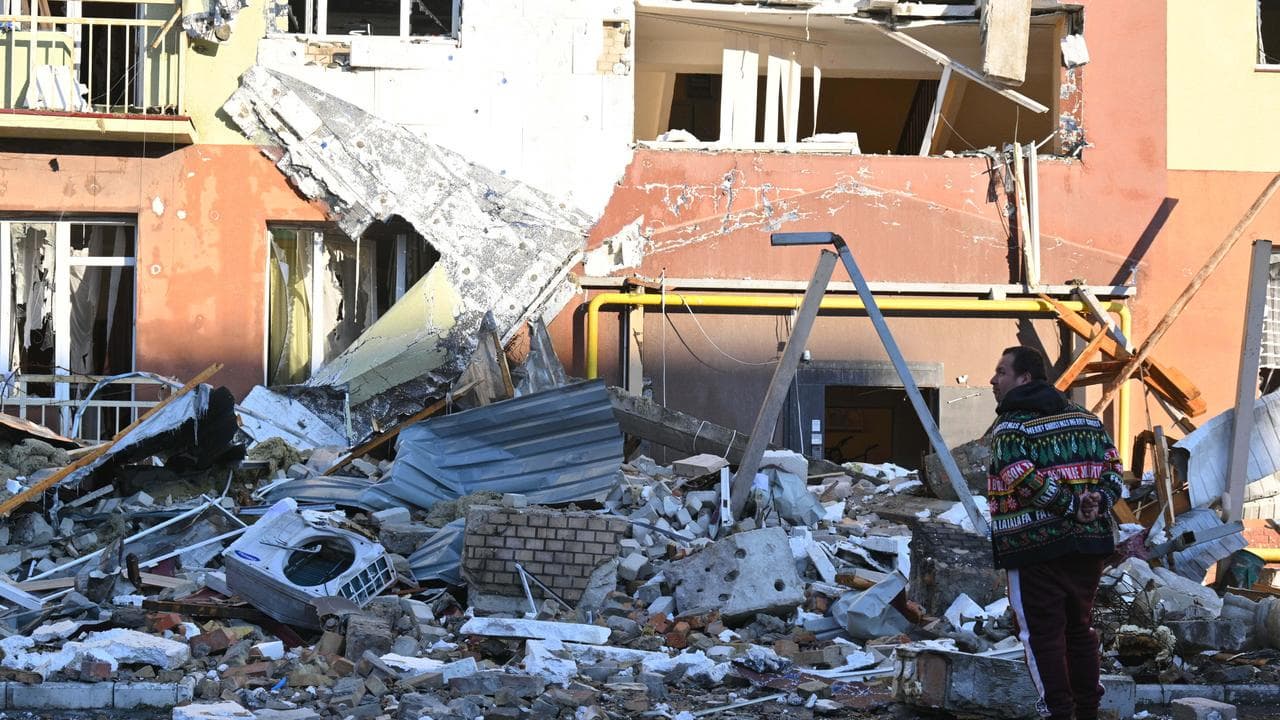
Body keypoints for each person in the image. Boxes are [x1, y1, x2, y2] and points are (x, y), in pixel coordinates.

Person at [987, 345, 1124, 720]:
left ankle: (1058, 713)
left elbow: (1018, 474)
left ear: (1024, 378)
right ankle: (1087, 712)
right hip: (1088, 548)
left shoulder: (1011, 425)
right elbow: (1114, 468)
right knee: (1080, 630)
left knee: (1040, 636)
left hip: (1034, 548)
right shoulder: (1086, 418)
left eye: (1001, 372)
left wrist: (1069, 506)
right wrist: (1098, 500)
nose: (992, 380)